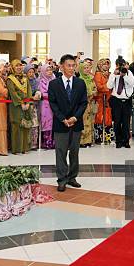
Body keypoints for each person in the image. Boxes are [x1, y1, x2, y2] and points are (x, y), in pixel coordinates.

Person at [48, 54, 87, 192]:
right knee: (61, 151)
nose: (71, 68)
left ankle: (72, 177)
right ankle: (62, 179)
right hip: (61, 123)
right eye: (68, 65)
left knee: (74, 152)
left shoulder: (80, 83)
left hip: (76, 123)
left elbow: (83, 103)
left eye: (73, 65)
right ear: (61, 66)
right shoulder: (54, 84)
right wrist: (63, 119)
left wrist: (75, 118)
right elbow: (53, 103)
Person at [108, 56, 134, 149]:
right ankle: (118, 141)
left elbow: (133, 84)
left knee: (126, 122)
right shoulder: (114, 74)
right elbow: (109, 86)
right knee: (117, 122)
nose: (121, 67)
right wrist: (114, 75)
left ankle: (126, 141)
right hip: (116, 100)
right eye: (119, 65)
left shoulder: (129, 73)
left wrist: (124, 76)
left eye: (123, 65)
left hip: (127, 100)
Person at [7, 59, 31, 154]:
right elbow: (13, 93)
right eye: (16, 66)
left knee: (25, 126)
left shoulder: (25, 78)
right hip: (16, 106)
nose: (19, 67)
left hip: (26, 105)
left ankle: (25, 148)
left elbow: (29, 90)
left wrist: (28, 102)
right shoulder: (10, 79)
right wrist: (21, 103)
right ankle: (16, 149)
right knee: (16, 126)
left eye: (20, 65)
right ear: (12, 67)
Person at [94, 58, 114, 144]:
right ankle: (100, 138)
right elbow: (99, 87)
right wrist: (108, 86)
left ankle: (108, 137)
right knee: (100, 118)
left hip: (109, 99)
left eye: (108, 64)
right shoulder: (98, 74)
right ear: (100, 65)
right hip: (101, 99)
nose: (106, 66)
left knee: (108, 118)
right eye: (104, 64)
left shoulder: (110, 74)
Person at [79, 60, 97, 147]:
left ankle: (89, 140)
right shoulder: (79, 80)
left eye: (88, 68)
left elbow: (95, 89)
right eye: (84, 68)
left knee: (90, 121)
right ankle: (82, 141)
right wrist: (89, 94)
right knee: (83, 121)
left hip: (91, 103)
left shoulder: (90, 79)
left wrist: (93, 92)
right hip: (82, 104)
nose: (86, 70)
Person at [38, 63, 56, 149]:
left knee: (54, 122)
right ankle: (46, 142)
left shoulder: (54, 79)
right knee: (47, 122)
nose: (49, 72)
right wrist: (53, 95)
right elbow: (43, 93)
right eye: (47, 70)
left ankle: (53, 141)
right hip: (46, 104)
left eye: (50, 70)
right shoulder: (41, 81)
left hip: (54, 104)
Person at [25, 64, 42, 150]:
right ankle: (27, 144)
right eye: (29, 72)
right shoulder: (23, 82)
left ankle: (34, 144)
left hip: (34, 106)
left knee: (35, 125)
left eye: (32, 72)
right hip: (26, 106)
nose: (31, 74)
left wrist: (37, 95)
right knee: (27, 124)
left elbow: (39, 90)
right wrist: (31, 98)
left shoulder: (36, 81)